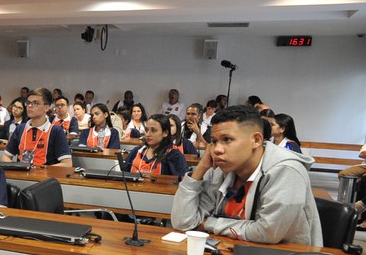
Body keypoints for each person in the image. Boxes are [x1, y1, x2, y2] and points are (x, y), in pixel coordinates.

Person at [171, 105, 322, 245]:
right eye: (214, 141)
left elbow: (267, 232)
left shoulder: (286, 171)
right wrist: (200, 168)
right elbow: (183, 222)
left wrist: (208, 223)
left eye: (227, 140)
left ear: (256, 140)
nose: (216, 149)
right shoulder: (221, 170)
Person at [1, 87, 72, 167]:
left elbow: (67, 164)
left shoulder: (56, 131)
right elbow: (5, 156)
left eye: (35, 103)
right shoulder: (20, 128)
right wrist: (16, 168)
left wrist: (42, 170)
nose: (30, 106)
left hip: (45, 177)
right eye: (28, 103)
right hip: (21, 176)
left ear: (46, 107)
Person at [122, 114, 188, 177]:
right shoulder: (136, 151)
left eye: (153, 130)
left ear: (165, 133)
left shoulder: (174, 156)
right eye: (146, 130)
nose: (147, 134)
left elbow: (182, 182)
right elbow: (124, 175)